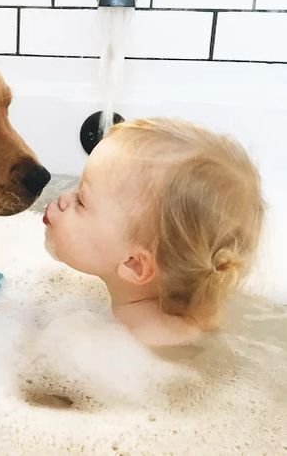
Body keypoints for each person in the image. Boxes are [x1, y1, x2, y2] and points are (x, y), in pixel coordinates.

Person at [43, 118, 264, 346]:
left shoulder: (131, 348)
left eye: (81, 201)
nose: (63, 198)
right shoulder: (188, 320)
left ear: (134, 264)